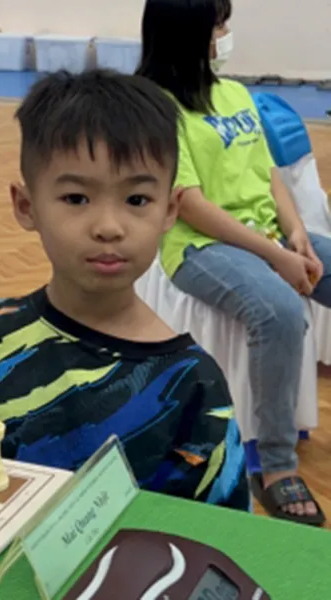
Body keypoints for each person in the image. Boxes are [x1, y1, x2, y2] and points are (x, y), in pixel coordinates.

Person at [0, 69, 249, 510]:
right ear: (26, 206)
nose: (108, 227)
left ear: (170, 209)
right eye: (76, 198)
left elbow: (221, 532)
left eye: (137, 200)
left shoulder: (193, 386)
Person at [136, 0, 329, 526]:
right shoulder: (156, 109)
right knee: (278, 311)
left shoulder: (235, 93)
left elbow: (270, 175)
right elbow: (190, 205)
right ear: (188, 33)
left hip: (268, 234)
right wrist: (276, 257)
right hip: (200, 246)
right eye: (217, 24)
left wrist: (297, 235)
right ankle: (277, 466)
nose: (224, 34)